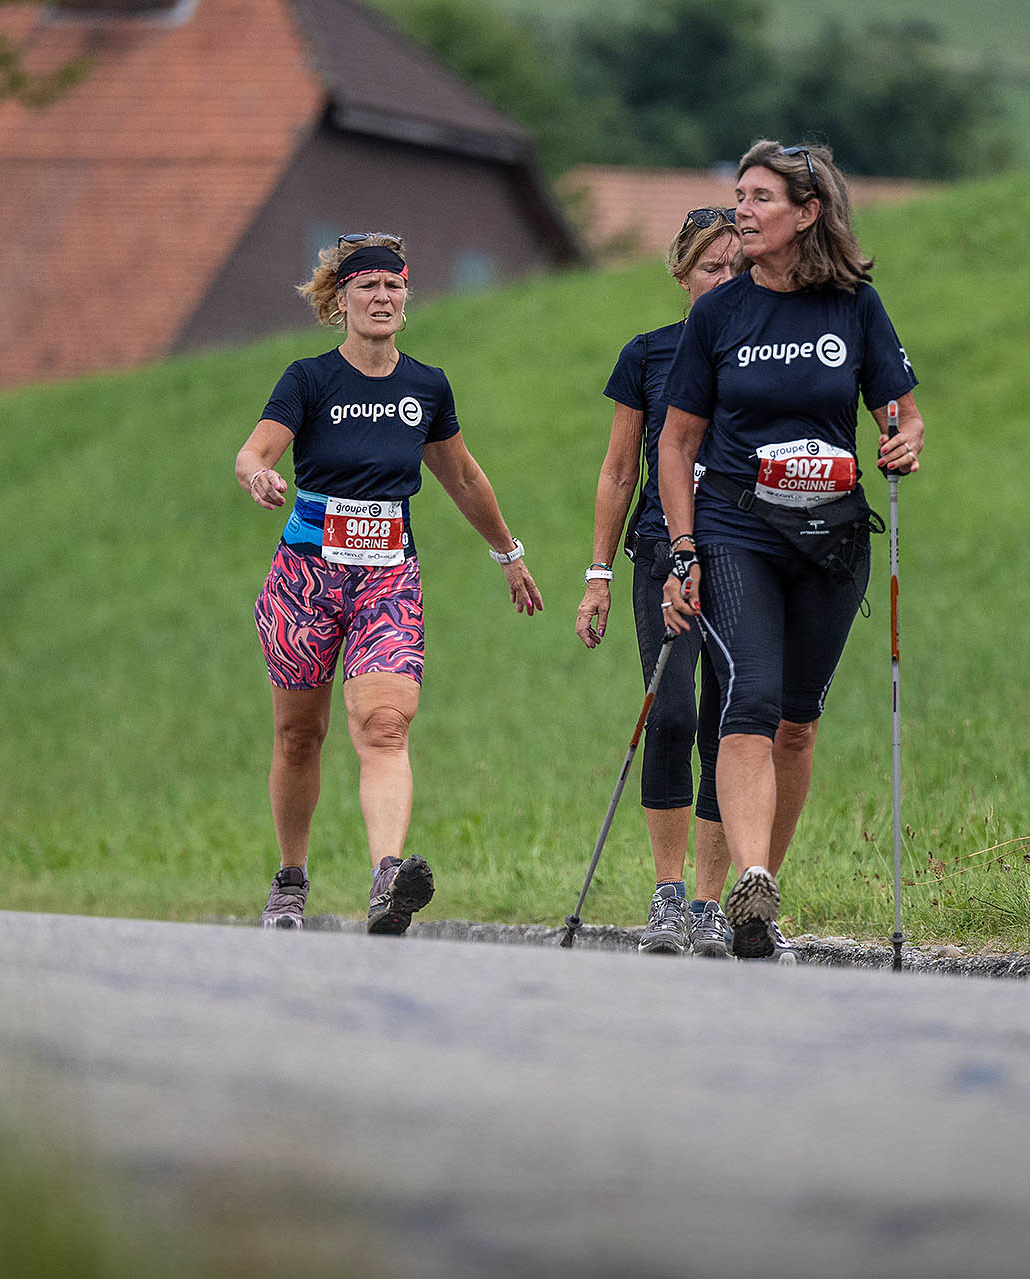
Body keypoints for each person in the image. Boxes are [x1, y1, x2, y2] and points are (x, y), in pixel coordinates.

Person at [657, 141, 924, 961]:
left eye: (761, 197)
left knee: (798, 724)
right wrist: (683, 546)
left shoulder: (855, 307)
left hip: (830, 535)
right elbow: (677, 442)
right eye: (740, 194)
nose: (742, 209)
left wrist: (903, 439)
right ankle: (751, 877)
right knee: (750, 700)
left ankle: (760, 901)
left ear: (808, 213)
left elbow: (902, 411)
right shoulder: (719, 314)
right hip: (736, 528)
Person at [234, 233, 543, 934]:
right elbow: (255, 450)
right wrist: (258, 474)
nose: (381, 297)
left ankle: (386, 880)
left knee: (384, 724)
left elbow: (462, 476)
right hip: (306, 579)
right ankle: (291, 877)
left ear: (407, 297)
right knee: (299, 734)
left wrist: (508, 552)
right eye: (367, 286)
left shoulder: (426, 387)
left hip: (388, 578)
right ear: (340, 299)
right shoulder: (308, 380)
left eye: (393, 286)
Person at [575, 208, 740, 958]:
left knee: (729, 724)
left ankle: (710, 902)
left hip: (742, 557)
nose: (726, 281)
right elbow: (619, 471)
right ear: (681, 275)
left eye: (738, 268)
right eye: (712, 268)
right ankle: (668, 894)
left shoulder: (767, 354)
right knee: (670, 715)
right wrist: (598, 574)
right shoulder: (647, 355)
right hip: (660, 557)